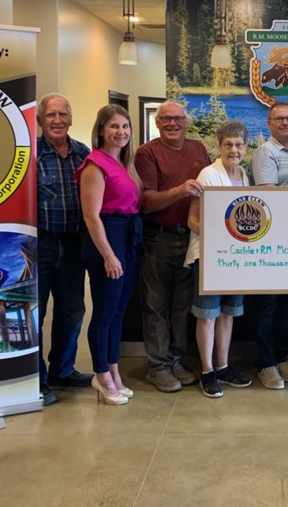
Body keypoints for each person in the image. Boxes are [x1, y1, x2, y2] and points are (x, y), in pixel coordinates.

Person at [135, 100, 210, 393]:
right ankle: (158, 367)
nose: (172, 124)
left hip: (191, 238)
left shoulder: (198, 150)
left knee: (181, 306)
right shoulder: (147, 153)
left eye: (177, 118)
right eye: (166, 119)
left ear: (186, 121)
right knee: (156, 305)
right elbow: (146, 201)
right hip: (159, 238)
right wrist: (180, 190)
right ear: (157, 122)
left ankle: (176, 360)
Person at [77, 105, 143, 406]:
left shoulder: (124, 164)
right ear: (101, 129)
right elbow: (91, 216)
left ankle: (114, 371)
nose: (121, 132)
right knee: (104, 313)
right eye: (114, 126)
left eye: (125, 127)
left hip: (127, 237)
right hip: (107, 240)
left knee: (118, 312)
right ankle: (101, 374)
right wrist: (108, 255)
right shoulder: (95, 164)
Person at [186, 120, 254, 398]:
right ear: (219, 146)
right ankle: (207, 371)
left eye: (238, 144)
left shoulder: (244, 176)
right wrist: (219, 237)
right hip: (209, 256)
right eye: (228, 144)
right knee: (208, 316)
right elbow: (191, 219)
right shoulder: (207, 175)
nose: (234, 149)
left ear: (245, 148)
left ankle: (223, 366)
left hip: (236, 258)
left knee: (228, 314)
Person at [35, 93, 93, 406]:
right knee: (36, 314)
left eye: (63, 115)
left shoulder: (82, 154)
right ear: (40, 120)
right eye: (51, 115)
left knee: (72, 311)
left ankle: (63, 369)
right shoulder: (30, 154)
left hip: (73, 244)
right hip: (38, 245)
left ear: (70, 119)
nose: (57, 120)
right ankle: (37, 378)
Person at [248, 102, 288, 390]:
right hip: (272, 239)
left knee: (287, 304)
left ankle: (282, 357)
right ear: (270, 123)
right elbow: (268, 197)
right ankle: (266, 362)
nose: (285, 122)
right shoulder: (265, 152)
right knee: (268, 304)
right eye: (279, 119)